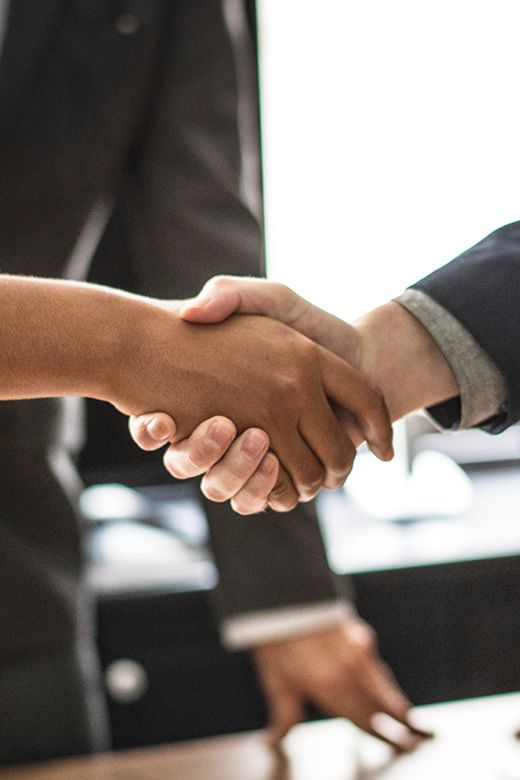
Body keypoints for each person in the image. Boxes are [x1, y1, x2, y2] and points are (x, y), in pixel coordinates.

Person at [0, 0, 416, 764]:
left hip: (18, 565)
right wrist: (117, 345)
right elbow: (159, 347)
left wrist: (287, 598)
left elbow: (209, 267)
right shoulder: (120, 347)